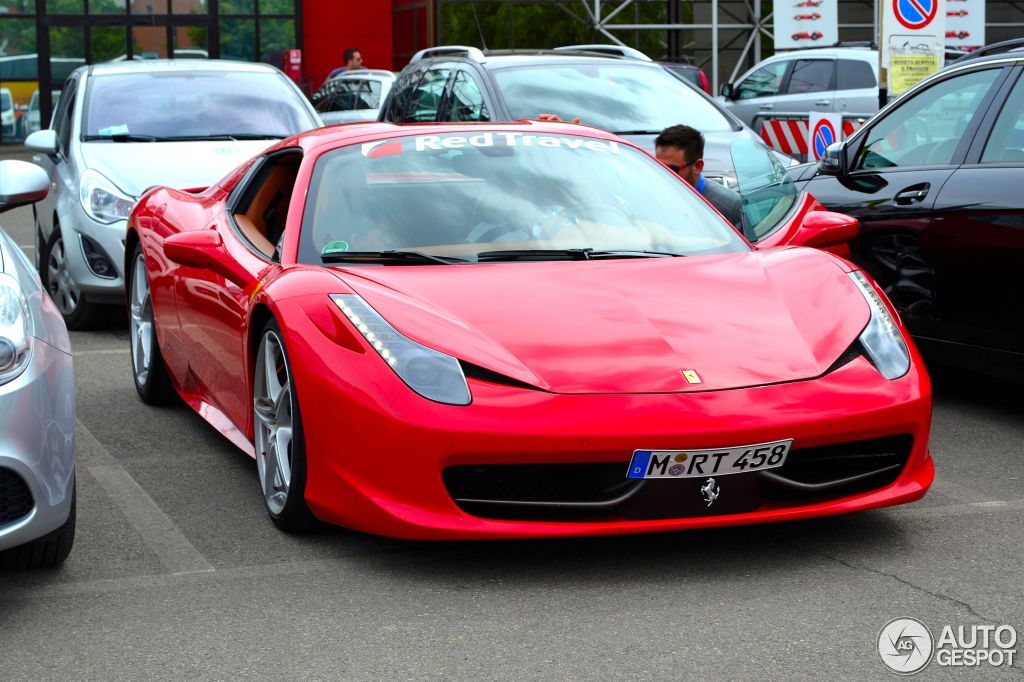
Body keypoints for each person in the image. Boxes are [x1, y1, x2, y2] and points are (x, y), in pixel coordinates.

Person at [654, 124, 743, 229]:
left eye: (672, 169)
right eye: (657, 166)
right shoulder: (648, 197)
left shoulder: (730, 207)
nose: (663, 174)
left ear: (697, 166)